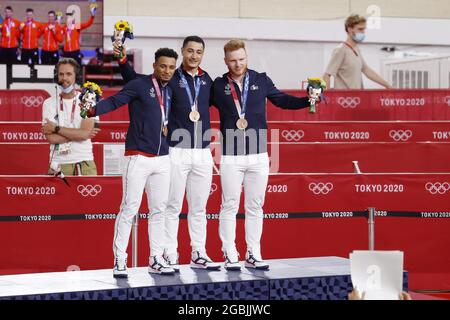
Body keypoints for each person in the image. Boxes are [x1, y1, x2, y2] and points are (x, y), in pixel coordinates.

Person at [113, 36, 221, 272]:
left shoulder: (207, 80)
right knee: (171, 206)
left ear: (203, 54)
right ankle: (169, 254)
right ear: (183, 52)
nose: (194, 55)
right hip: (174, 150)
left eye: (199, 52)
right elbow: (135, 81)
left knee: (199, 208)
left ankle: (198, 252)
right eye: (190, 51)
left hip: (202, 151)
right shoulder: (170, 76)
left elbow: (221, 102)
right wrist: (122, 59)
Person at [211, 39, 318, 271]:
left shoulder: (261, 79)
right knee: (229, 206)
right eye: (232, 60)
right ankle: (230, 253)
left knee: (255, 207)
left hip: (259, 155)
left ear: (246, 57)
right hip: (230, 155)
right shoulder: (218, 85)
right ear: (225, 61)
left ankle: (253, 252)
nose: (238, 64)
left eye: (241, 59)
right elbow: (196, 106)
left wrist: (307, 100)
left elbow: (283, 101)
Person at [83, 48, 179, 278]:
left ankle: (156, 258)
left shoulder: (173, 89)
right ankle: (120, 259)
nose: (167, 71)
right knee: (129, 209)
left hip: (163, 159)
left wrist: (171, 129)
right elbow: (116, 101)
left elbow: (175, 118)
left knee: (158, 211)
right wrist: (93, 110)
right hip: (138, 157)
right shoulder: (139, 84)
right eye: (163, 66)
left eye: (171, 67)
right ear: (155, 65)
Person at [42, 58, 99, 176]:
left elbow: (84, 134)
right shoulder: (48, 103)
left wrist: (56, 128)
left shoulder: (88, 99)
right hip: (57, 165)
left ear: (76, 77)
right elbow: (52, 139)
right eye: (61, 74)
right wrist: (80, 134)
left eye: (69, 74)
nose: (64, 78)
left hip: (85, 163)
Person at [323, 14, 392, 89]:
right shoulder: (340, 50)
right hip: (344, 98)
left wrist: (387, 85)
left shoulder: (356, 49)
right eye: (360, 29)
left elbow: (366, 70)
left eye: (364, 29)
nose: (363, 32)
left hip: (357, 97)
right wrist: (328, 97)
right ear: (350, 29)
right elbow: (326, 75)